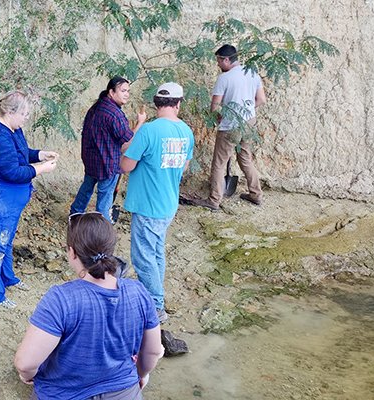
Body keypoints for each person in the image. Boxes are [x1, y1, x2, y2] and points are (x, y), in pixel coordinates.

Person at [14, 212, 164, 400]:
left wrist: (27, 376)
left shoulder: (61, 299)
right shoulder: (139, 292)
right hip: (124, 393)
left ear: (72, 252)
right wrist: (140, 375)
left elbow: (25, 363)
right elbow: (153, 350)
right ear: (111, 249)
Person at [0, 90, 59, 309]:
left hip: (6, 200)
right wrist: (40, 170)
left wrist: (39, 154)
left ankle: (8, 278)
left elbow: (19, 153)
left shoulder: (13, 128)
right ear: (10, 112)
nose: (26, 118)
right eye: (24, 114)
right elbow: (12, 171)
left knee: (6, 240)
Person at [120, 83, 194, 322]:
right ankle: (156, 298)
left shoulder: (149, 131)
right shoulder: (186, 132)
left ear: (155, 104)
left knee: (143, 257)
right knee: (156, 252)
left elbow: (125, 166)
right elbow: (183, 167)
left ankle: (154, 306)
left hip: (148, 204)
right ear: (178, 103)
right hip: (168, 203)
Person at [194, 44, 267, 210]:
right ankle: (256, 195)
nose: (218, 64)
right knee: (246, 158)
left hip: (230, 125)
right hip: (249, 122)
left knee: (219, 163)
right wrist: (245, 112)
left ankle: (214, 201)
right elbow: (261, 100)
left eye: (219, 60)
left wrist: (222, 117)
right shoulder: (252, 73)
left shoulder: (224, 78)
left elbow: (215, 107)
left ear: (227, 59)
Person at [70, 77, 146, 223]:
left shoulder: (96, 107)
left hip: (91, 159)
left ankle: (74, 215)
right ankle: (101, 226)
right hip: (107, 163)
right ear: (111, 92)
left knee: (87, 188)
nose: (126, 94)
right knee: (105, 196)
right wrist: (140, 123)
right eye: (123, 91)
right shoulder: (114, 114)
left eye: (128, 91)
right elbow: (129, 140)